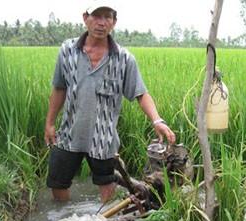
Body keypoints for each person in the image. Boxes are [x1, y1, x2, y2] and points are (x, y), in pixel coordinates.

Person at [44, 0, 176, 203]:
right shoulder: (67, 50)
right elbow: (59, 88)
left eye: (107, 16)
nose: (101, 22)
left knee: (107, 186)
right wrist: (50, 123)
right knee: (57, 183)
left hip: (103, 138)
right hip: (69, 133)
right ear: (85, 18)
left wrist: (157, 120)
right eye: (96, 15)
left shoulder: (124, 59)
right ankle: (63, 219)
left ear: (114, 22)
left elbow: (141, 93)